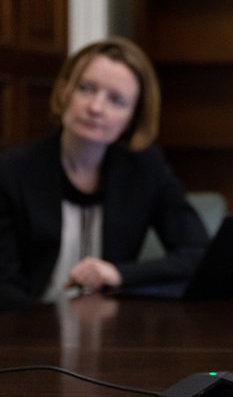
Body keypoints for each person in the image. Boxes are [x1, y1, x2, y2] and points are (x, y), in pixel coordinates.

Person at [0, 38, 209, 309]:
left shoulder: (145, 167)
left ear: (133, 117)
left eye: (117, 100)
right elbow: (4, 287)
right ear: (64, 91)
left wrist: (119, 274)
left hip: (111, 332)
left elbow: (198, 254)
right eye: (86, 89)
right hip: (28, 332)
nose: (96, 108)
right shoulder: (11, 170)